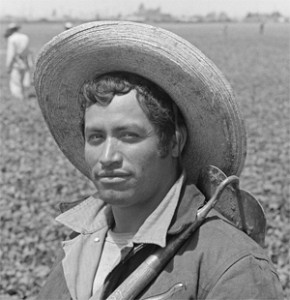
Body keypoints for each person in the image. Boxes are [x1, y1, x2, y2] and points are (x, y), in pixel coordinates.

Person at [34, 21, 284, 300]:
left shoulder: (231, 264)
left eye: (129, 136)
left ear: (175, 141)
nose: (107, 157)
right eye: (95, 138)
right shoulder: (75, 247)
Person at [4, 23, 33, 100]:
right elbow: (28, 51)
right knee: (23, 80)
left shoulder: (11, 39)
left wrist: (8, 66)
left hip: (16, 63)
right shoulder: (25, 37)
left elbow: (11, 54)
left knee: (16, 82)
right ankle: (24, 97)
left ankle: (18, 98)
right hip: (25, 61)